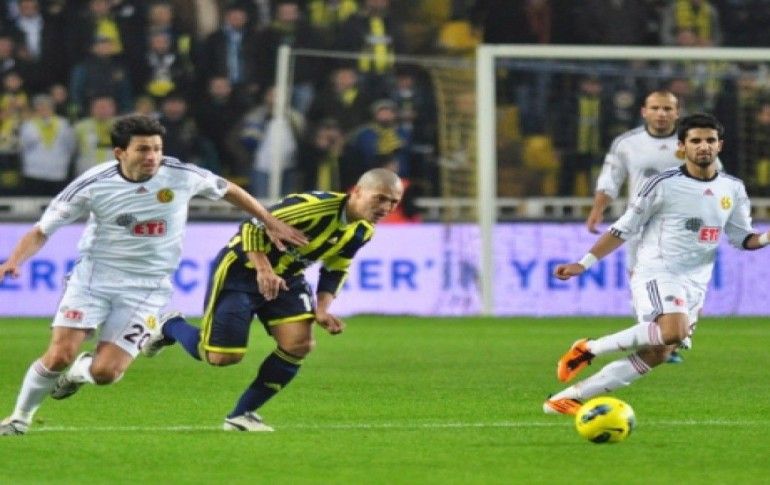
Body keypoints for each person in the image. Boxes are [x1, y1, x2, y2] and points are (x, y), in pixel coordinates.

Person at [0, 114, 307, 436]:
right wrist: (13, 261)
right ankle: (19, 418)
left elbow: (229, 189)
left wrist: (269, 220)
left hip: (147, 289)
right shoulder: (94, 183)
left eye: (157, 149)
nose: (152, 156)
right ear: (120, 153)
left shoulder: (180, 174)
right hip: (93, 280)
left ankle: (80, 372)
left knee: (106, 373)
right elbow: (42, 230)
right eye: (143, 149)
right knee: (60, 354)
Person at [141, 168, 404, 431]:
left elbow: (336, 267)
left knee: (299, 344)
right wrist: (263, 269)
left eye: (393, 202)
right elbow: (252, 226)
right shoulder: (314, 207)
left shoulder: (363, 230)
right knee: (220, 357)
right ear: (357, 191)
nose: (386, 208)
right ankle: (169, 325)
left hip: (287, 278)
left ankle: (241, 415)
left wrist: (323, 309)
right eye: (380, 198)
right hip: (241, 271)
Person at [543, 113, 770, 416]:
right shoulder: (662, 184)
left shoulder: (733, 188)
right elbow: (623, 228)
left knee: (660, 352)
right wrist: (583, 264)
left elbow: (742, 238)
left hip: (696, 281)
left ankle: (566, 398)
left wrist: (766, 237)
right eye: (696, 140)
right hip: (658, 269)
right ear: (682, 147)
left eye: (710, 140)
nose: (704, 146)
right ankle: (590, 348)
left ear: (720, 145)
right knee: (673, 331)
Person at [586, 89, 715, 364]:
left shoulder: (693, 141)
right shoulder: (627, 143)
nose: (661, 114)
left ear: (677, 113)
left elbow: (716, 178)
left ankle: (670, 340)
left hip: (684, 230)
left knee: (687, 282)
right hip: (641, 226)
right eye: (655, 108)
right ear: (644, 111)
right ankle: (660, 342)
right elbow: (610, 179)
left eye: (667, 109)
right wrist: (598, 209)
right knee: (641, 282)